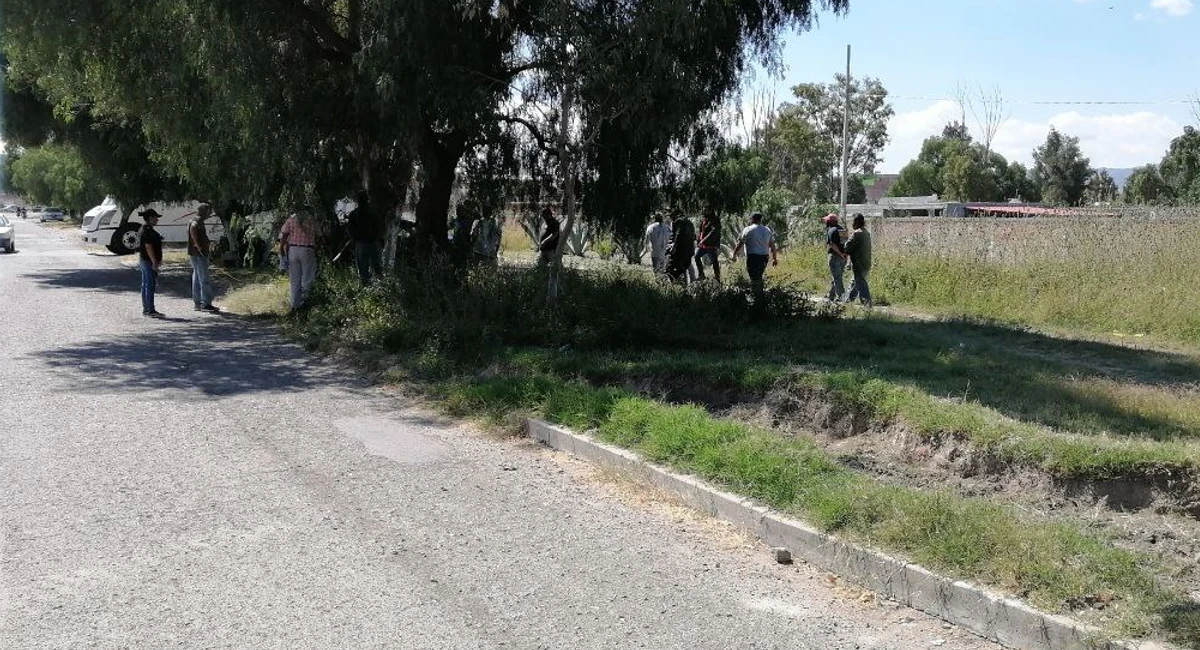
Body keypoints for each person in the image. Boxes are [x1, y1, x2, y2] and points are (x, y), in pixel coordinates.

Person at [279, 211, 319, 312]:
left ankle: (294, 306)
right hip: (307, 249)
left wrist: (281, 249)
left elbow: (284, 234)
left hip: (293, 249)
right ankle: (305, 304)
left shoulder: (291, 218)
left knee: (294, 279)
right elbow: (319, 234)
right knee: (307, 278)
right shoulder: (312, 219)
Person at [732, 212, 778, 293]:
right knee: (759, 275)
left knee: (754, 277)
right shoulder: (767, 230)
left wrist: (734, 254)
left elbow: (740, 244)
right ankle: (759, 294)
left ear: (752, 219)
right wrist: (775, 259)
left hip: (752, 257)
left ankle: (756, 295)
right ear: (760, 220)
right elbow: (773, 246)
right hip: (764, 257)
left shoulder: (748, 229)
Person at [188, 203, 220, 312]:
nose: (209, 214)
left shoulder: (194, 219)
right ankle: (206, 304)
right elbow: (193, 229)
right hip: (200, 254)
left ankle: (198, 303)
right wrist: (197, 244)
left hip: (194, 254)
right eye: (208, 212)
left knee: (196, 277)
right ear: (204, 211)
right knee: (204, 278)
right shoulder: (197, 220)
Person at [345, 191, 383, 285]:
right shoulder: (374, 213)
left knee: (363, 270)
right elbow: (379, 228)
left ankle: (366, 289)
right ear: (368, 200)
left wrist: (354, 239)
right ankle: (381, 289)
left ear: (358, 201)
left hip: (361, 244)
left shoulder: (354, 214)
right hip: (373, 244)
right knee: (377, 268)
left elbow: (349, 229)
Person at [137, 209, 166, 318]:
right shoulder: (147, 231)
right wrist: (154, 262)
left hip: (145, 260)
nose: (157, 219)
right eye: (155, 217)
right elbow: (148, 247)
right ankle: (150, 309)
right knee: (150, 285)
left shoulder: (144, 229)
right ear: (150, 218)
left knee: (145, 285)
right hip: (148, 261)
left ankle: (146, 308)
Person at [844, 213, 873, 307]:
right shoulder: (866, 233)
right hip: (866, 262)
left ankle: (867, 302)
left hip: (858, 263)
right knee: (854, 282)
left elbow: (847, 247)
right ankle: (848, 300)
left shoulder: (857, 234)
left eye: (853, 221)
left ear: (856, 222)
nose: (852, 224)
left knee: (860, 283)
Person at [823, 213, 849, 302]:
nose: (825, 222)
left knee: (837, 278)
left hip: (835, 257)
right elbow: (847, 244)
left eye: (826, 220)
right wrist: (845, 255)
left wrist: (840, 254)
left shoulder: (831, 230)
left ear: (829, 222)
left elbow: (832, 244)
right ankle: (831, 295)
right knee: (837, 277)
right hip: (843, 258)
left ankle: (841, 296)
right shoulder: (842, 230)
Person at [666, 212, 696, 284]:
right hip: (689, 250)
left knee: (671, 269)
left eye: (671, 216)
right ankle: (686, 284)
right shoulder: (689, 223)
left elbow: (678, 235)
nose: (671, 218)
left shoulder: (679, 221)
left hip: (681, 251)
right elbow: (694, 237)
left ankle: (678, 284)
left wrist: (673, 246)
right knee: (683, 268)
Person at [694, 208, 722, 283]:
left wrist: (703, 240)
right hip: (703, 245)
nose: (704, 211)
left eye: (706, 209)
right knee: (696, 256)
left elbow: (713, 232)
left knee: (714, 262)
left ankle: (717, 279)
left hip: (711, 245)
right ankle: (701, 274)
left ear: (710, 210)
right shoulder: (704, 219)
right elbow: (701, 231)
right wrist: (698, 241)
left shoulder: (714, 220)